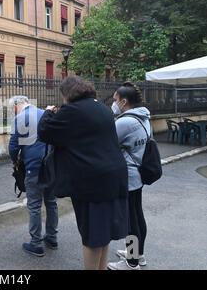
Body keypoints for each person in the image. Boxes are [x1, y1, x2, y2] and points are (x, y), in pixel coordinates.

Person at [38, 76, 129, 270]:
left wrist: (47, 113)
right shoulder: (102, 109)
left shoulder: (73, 111)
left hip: (92, 181)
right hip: (114, 175)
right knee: (103, 232)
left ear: (68, 94)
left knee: (92, 235)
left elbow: (45, 132)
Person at [108, 82, 151, 270]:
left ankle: (131, 263)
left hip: (128, 176)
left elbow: (107, 143)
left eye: (115, 99)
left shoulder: (125, 122)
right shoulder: (144, 117)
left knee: (131, 222)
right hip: (138, 174)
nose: (114, 103)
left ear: (124, 101)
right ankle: (138, 254)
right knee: (138, 217)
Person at [9, 96, 58, 257]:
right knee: (51, 202)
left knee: (34, 205)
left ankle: (36, 243)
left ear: (17, 105)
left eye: (12, 108)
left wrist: (15, 161)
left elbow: (13, 145)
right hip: (50, 165)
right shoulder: (45, 113)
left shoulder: (20, 118)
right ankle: (52, 237)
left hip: (33, 166)